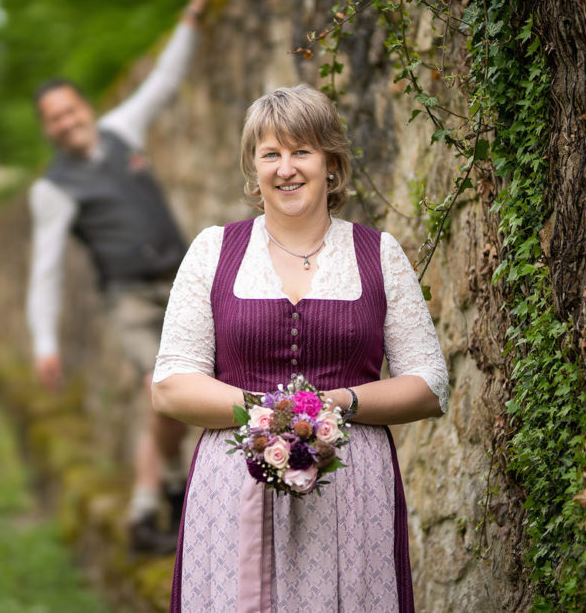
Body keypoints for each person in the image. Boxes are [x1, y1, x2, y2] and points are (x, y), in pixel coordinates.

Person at [152, 84, 449, 610]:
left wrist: (337, 405)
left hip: (352, 492)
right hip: (234, 486)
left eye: (301, 151)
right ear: (254, 168)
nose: (285, 168)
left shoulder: (377, 253)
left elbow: (429, 383)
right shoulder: (214, 252)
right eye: (271, 154)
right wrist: (269, 414)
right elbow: (173, 385)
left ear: (331, 164)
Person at [26, 0, 212, 555]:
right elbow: (46, 271)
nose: (66, 122)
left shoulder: (122, 130)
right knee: (160, 389)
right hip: (128, 297)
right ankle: (152, 504)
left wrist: (191, 19)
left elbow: (162, 83)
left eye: (70, 110)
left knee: (187, 390)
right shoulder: (52, 189)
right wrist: (44, 344)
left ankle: (166, 498)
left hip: (181, 282)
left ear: (85, 108)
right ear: (47, 129)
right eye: (53, 119)